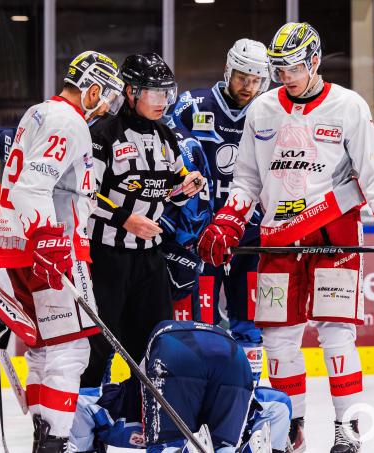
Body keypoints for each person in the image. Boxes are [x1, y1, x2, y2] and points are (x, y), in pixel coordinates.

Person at [197, 22, 374, 453]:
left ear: (315, 60)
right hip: (277, 239)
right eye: (279, 68)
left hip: (333, 236)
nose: (286, 76)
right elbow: (246, 178)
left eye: (294, 67)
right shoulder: (262, 110)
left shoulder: (347, 105)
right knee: (279, 340)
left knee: (336, 334)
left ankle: (348, 432)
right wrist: (229, 220)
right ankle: (288, 428)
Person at [0, 50, 127, 453]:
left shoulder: (39, 112)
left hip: (16, 249)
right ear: (91, 89)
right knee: (70, 351)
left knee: (42, 350)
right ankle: (56, 442)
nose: (107, 106)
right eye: (105, 95)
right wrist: (47, 240)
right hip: (52, 250)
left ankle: (45, 438)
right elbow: (33, 186)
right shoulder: (69, 121)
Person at [80, 52, 205, 389]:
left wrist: (188, 186)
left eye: (166, 93)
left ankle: (151, 425)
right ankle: (88, 431)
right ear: (131, 91)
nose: (162, 101)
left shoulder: (166, 137)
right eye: (154, 92)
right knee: (97, 347)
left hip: (150, 258)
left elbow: (171, 190)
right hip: (106, 257)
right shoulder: (102, 134)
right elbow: (85, 195)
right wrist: (124, 220)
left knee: (156, 346)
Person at [167, 38, 271, 381]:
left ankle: (247, 394)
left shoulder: (268, 111)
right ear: (229, 69)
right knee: (204, 324)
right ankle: (204, 392)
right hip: (202, 235)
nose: (249, 86)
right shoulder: (192, 104)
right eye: (243, 77)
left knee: (251, 326)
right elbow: (164, 141)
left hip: (250, 233)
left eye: (257, 80)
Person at [70, 320, 293, 453]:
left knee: (168, 446)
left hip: (174, 348)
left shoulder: (114, 412)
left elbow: (79, 404)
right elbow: (280, 404)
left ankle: (181, 448)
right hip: (230, 354)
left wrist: (82, 446)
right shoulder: (113, 411)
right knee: (222, 447)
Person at [157, 128, 213, 323]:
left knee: (183, 330)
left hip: (168, 247)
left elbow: (199, 206)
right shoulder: (107, 131)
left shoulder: (186, 144)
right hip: (121, 246)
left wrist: (185, 251)